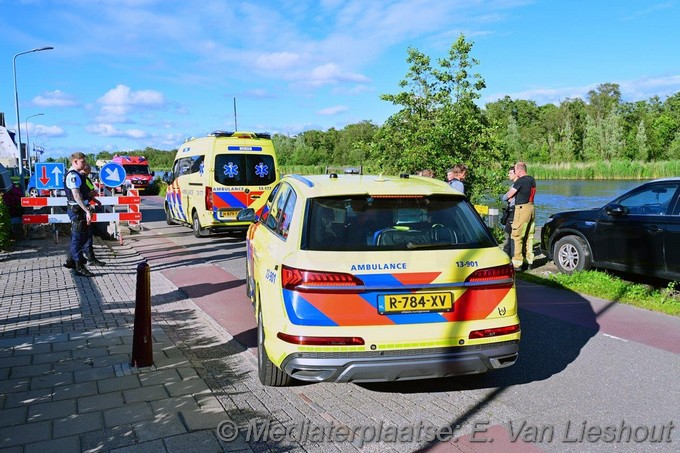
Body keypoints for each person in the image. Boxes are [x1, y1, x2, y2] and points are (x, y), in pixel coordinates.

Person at [63, 152, 95, 277]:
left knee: (81, 236)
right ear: (75, 161)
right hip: (77, 210)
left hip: (79, 209)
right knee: (78, 237)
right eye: (83, 161)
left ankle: (71, 261)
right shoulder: (73, 176)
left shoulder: (77, 175)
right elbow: (76, 195)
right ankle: (78, 267)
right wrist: (86, 210)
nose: (85, 164)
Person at [503, 161, 536, 271]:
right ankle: (529, 260)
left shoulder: (520, 181)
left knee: (517, 235)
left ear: (520, 170)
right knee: (529, 235)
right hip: (531, 207)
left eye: (516, 171)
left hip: (522, 209)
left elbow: (509, 195)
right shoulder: (532, 180)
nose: (515, 172)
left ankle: (517, 263)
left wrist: (511, 196)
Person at [80, 163, 107, 266]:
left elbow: (88, 194)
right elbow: (88, 192)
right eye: (88, 171)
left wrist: (95, 199)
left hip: (83, 208)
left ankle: (82, 257)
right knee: (86, 235)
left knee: (83, 235)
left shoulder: (82, 178)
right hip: (82, 209)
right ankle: (87, 258)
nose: (89, 173)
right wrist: (93, 195)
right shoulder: (82, 179)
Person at [501, 166, 518, 258]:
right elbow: (506, 197)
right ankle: (510, 253)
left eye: (510, 173)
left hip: (513, 211)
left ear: (516, 173)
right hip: (512, 210)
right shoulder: (514, 185)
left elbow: (505, 197)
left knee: (509, 232)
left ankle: (508, 254)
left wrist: (510, 198)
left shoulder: (516, 185)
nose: (508, 175)